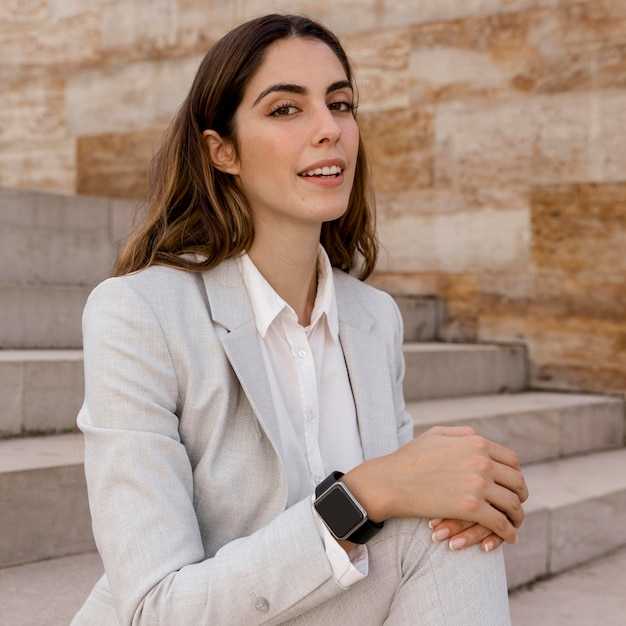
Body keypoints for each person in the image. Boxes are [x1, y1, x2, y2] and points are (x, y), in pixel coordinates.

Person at [71, 14, 528, 625]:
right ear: (222, 151)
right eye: (286, 109)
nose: (328, 130)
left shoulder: (373, 319)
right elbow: (156, 610)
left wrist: (466, 492)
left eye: (341, 104)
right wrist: (365, 495)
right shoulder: (138, 314)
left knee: (451, 531)